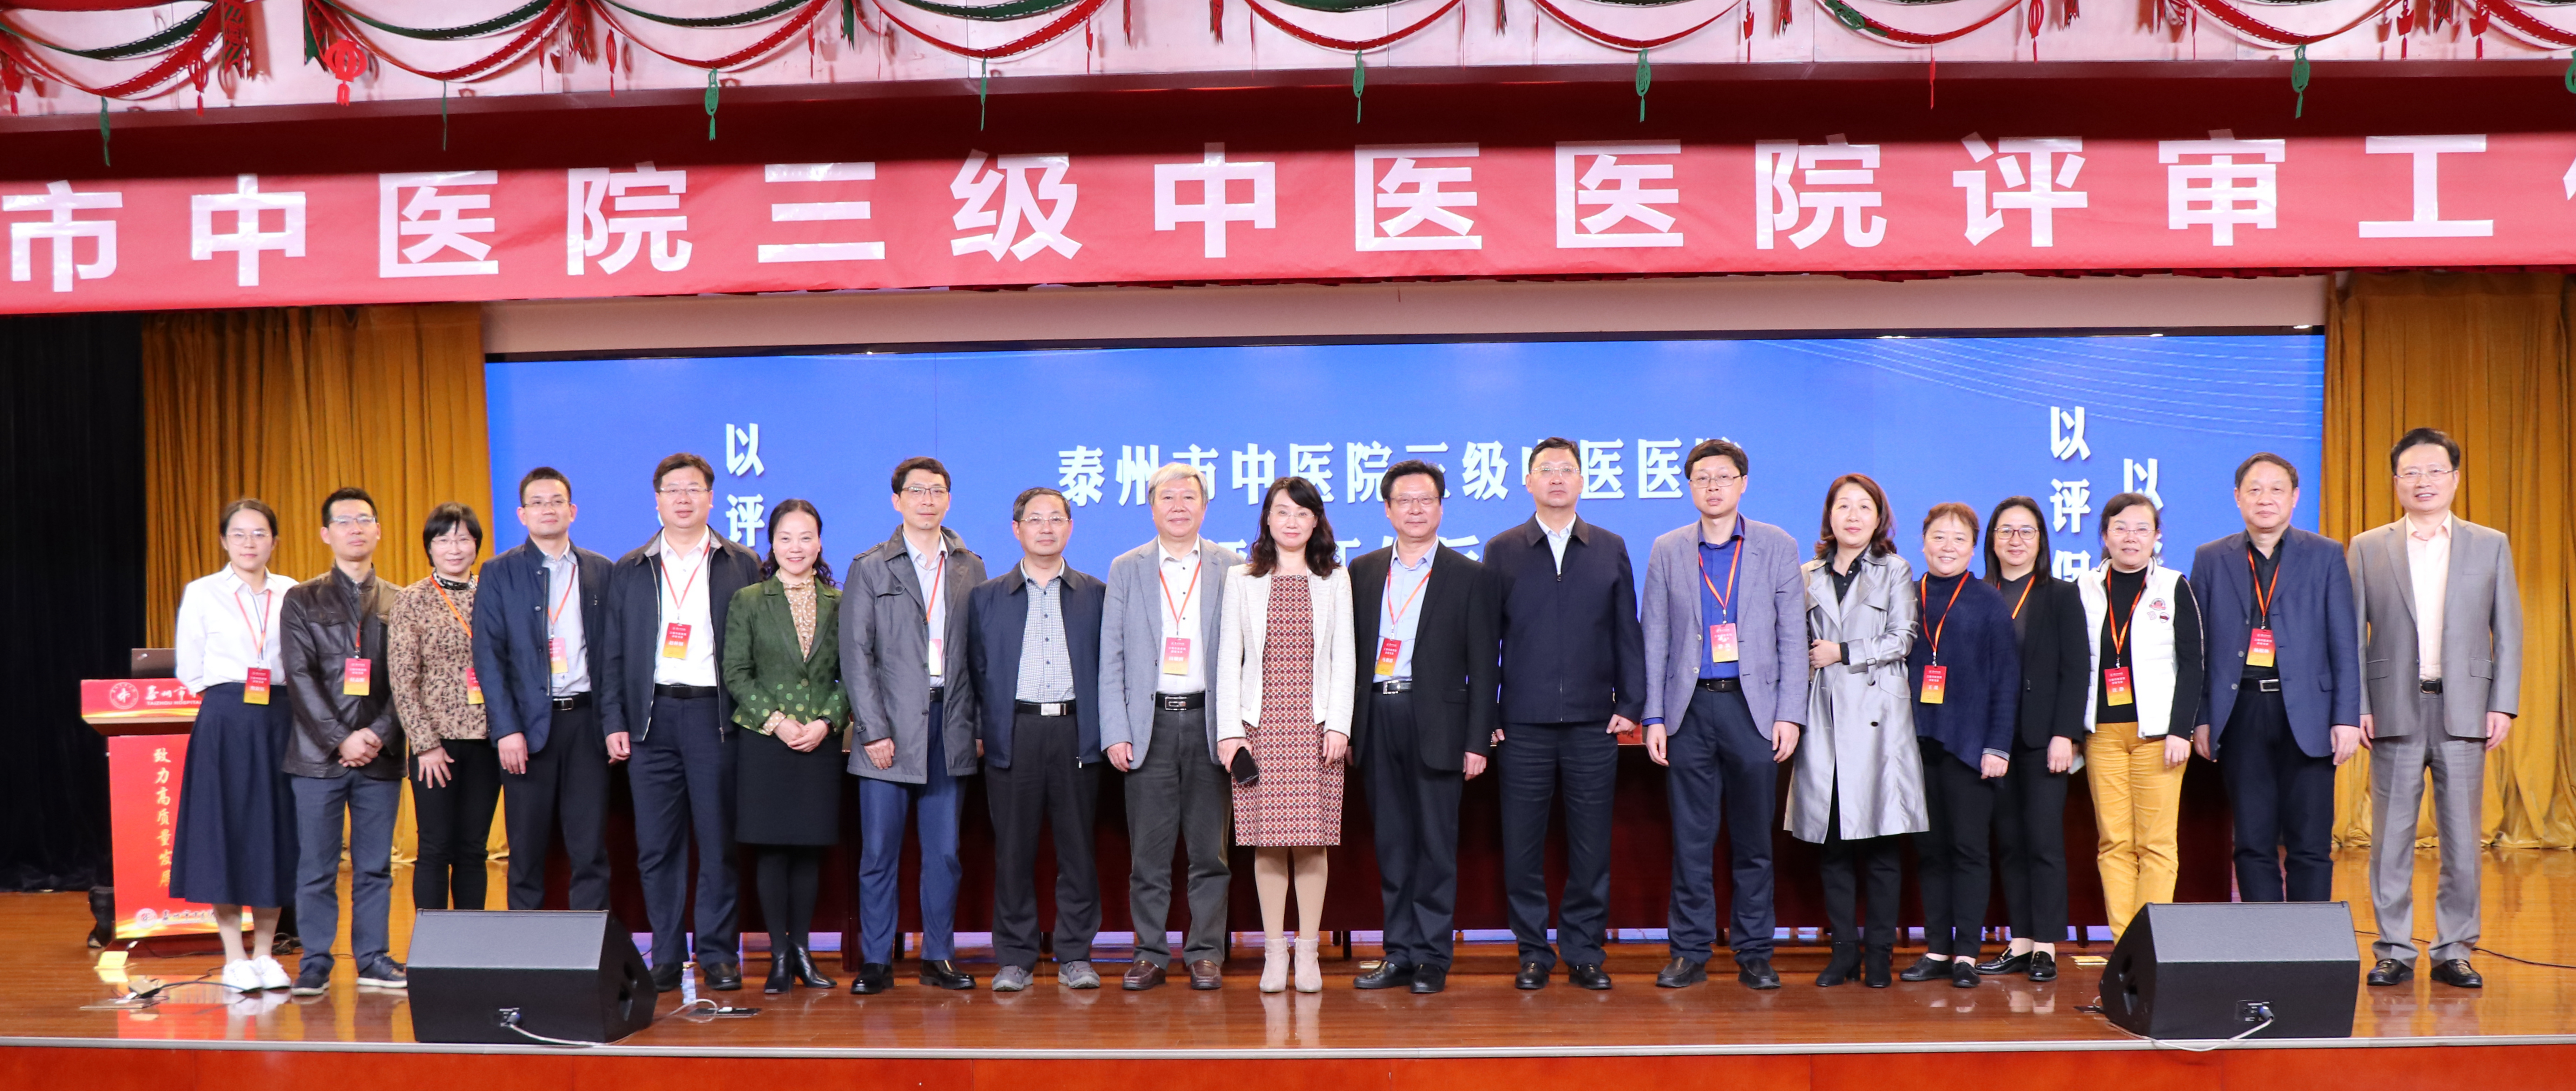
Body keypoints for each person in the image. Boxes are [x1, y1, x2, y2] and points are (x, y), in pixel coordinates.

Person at [2352, 427, 2521, 990]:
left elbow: (2509, 630)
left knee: (2462, 839)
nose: (2422, 481)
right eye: (2411, 472)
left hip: (2466, 708)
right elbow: (2352, 636)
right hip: (2392, 708)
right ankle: (2394, 949)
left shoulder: (2489, 543)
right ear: (2396, 480)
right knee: (2390, 841)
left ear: (2455, 477)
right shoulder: (2368, 546)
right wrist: (2359, 704)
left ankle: (2455, 948)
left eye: (2434, 471)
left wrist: (2503, 704)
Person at [1641, 439, 1806, 992]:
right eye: (1702, 477)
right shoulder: (1668, 548)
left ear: (1743, 483)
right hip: (1689, 709)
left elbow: (1792, 635)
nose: (1713, 486)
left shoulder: (1776, 545)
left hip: (1753, 708)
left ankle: (1755, 950)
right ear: (1690, 487)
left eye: (1724, 476)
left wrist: (1790, 713)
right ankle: (1689, 951)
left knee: (1754, 839)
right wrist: (1654, 715)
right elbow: (1655, 636)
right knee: (1692, 839)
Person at [1484, 437, 1644, 992]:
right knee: (1522, 846)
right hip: (1522, 723)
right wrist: (1488, 711)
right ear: (1528, 481)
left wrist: (1632, 703)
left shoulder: (1609, 546)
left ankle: (1583, 951)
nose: (1557, 477)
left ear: (1582, 481)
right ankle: (1533, 951)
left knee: (1591, 846)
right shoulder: (1503, 548)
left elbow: (1627, 630)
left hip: (1592, 721)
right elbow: (1485, 639)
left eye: (1567, 469)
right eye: (1546, 469)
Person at [604, 453, 765, 994]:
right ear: (657, 500)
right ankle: (668, 955)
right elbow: (612, 652)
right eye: (672, 489)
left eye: (693, 488)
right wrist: (614, 719)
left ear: (711, 498)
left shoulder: (740, 562)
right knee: (657, 847)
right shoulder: (632, 567)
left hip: (714, 716)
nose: (683, 498)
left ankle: (718, 953)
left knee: (718, 842)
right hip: (650, 720)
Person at [1346, 460, 1500, 996]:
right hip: (1376, 715)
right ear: (1388, 510)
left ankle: (1433, 955)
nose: (1415, 509)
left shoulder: (1470, 574)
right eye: (1404, 500)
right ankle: (1398, 952)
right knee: (1392, 844)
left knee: (1436, 844)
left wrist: (1478, 739)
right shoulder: (1362, 571)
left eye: (1426, 499)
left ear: (1441, 507)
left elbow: (1485, 665)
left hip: (1439, 722)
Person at [2189, 454, 2361, 907]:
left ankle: (2311, 940)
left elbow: (2345, 642)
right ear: (2237, 497)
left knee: (2311, 843)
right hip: (2240, 711)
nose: (2265, 498)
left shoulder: (2325, 554)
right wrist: (2202, 717)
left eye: (2276, 489)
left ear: (2295, 497)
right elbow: (2198, 648)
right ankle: (2265, 938)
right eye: (2254, 489)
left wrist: (2346, 717)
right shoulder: (2210, 558)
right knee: (2252, 840)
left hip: (2309, 712)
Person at [842, 456, 986, 994]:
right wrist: (873, 729)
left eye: (938, 490)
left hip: (949, 724)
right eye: (917, 490)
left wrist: (975, 725)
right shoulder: (871, 566)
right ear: (897, 500)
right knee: (879, 852)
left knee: (945, 852)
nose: (928, 499)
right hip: (888, 728)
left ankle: (938, 956)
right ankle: (877, 960)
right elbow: (856, 656)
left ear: (949, 499)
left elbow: (981, 658)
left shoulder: (971, 565)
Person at [1098, 464, 1242, 992]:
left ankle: (1205, 953)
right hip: (1149, 724)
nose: (1179, 506)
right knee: (1149, 855)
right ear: (1152, 506)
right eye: (1168, 497)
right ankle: (1150, 952)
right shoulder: (1127, 567)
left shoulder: (1232, 567)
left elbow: (1245, 653)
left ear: (1205, 507)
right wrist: (1116, 729)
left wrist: (1236, 728)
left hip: (1211, 722)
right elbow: (1111, 654)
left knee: (1211, 853)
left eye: (1189, 497)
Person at [1215, 476, 1355, 995]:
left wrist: (1339, 723)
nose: (1291, 521)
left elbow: (1345, 657)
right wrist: (1230, 732)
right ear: (1267, 520)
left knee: (1313, 842)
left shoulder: (1334, 579)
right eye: (1282, 511)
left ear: (1316, 521)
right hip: (1260, 724)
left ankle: (1309, 951)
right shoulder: (1242, 578)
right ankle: (1275, 952)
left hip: (1315, 725)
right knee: (1268, 843)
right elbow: (1229, 659)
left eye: (1302, 513)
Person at [969, 487, 1109, 992]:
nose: (1046, 528)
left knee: (1078, 850)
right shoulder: (987, 597)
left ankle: (1075, 954)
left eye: (1056, 519)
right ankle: (1015, 957)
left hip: (1076, 731)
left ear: (1070, 527)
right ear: (1017, 529)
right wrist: (982, 732)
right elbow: (974, 671)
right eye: (1035, 519)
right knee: (1013, 851)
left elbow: (1111, 669)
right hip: (1014, 731)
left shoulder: (1096, 594)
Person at [1791, 473, 1921, 990]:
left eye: (1863, 506)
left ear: (1879, 517)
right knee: (1834, 844)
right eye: (1843, 506)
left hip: (1878, 720)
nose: (1853, 515)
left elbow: (1903, 637)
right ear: (1829, 515)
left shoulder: (1895, 569)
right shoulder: (1807, 573)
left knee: (1883, 846)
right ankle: (1843, 950)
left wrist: (1843, 651)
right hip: (1824, 715)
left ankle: (1880, 954)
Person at [280, 486, 408, 996]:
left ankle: (373, 958)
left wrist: (376, 734)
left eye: (364, 519)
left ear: (378, 530)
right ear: (325, 533)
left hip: (380, 755)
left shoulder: (401, 600)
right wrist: (341, 739)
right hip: (317, 758)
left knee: (375, 867)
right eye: (344, 521)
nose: (356, 529)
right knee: (317, 867)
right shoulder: (301, 598)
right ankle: (315, 961)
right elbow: (299, 677)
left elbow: (408, 681)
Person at [171, 499, 300, 995]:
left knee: (273, 831)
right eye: (240, 534)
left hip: (280, 718)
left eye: (260, 533)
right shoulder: (203, 592)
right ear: (225, 541)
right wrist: (229, 702)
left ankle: (265, 954)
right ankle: (233, 957)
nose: (250, 543)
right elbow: (190, 666)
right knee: (223, 831)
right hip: (225, 719)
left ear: (275, 541)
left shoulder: (292, 592)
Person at [471, 467, 614, 914]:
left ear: (573, 510)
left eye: (556, 501)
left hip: (587, 725)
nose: (547, 509)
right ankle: (526, 948)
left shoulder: (601, 570)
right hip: (526, 729)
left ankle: (590, 946)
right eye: (537, 502)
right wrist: (506, 730)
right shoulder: (499, 572)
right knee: (527, 850)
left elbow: (613, 654)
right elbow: (488, 656)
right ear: (522, 514)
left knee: (590, 849)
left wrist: (614, 723)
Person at [720, 499, 846, 995]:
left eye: (806, 537)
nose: (797, 547)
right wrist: (777, 722)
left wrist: (826, 722)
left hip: (819, 741)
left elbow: (853, 674)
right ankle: (777, 955)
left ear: (820, 542)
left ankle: (804, 953)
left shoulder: (839, 601)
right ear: (771, 544)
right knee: (772, 850)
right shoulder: (750, 599)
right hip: (765, 741)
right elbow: (736, 672)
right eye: (786, 538)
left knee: (809, 850)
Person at [1897, 503, 2017, 990]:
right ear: (1923, 542)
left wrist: (1998, 746)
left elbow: (2006, 679)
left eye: (1959, 539)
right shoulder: (1907, 595)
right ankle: (1937, 949)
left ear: (1973, 548)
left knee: (1969, 850)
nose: (1947, 547)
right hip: (1914, 742)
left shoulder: (1988, 601)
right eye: (1939, 537)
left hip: (1970, 745)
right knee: (1930, 852)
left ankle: (1966, 952)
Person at [2079, 492, 2205, 941]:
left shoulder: (2173, 586)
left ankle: (2152, 945)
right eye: (2121, 527)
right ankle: (2123, 946)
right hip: (2103, 735)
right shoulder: (2083, 587)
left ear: (2156, 537)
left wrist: (2181, 729)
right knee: (2114, 843)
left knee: (2156, 844)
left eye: (2141, 528)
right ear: (2105, 535)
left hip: (2158, 735)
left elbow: (2193, 663)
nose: (2130, 537)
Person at [1974, 496, 2088, 983]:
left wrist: (2067, 734)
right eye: (2006, 531)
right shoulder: (1979, 594)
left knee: (2043, 842)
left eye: (2026, 531)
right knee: (2009, 843)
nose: (2015, 540)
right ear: (1992, 540)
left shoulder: (2060, 595)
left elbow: (2076, 670)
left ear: (2041, 540)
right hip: (1992, 740)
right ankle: (2019, 942)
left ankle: (2046, 945)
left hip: (2044, 740)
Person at [388, 503, 498, 913]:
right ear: (430, 547)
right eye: (444, 540)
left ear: (477, 545)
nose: (454, 548)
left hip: (488, 741)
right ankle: (431, 944)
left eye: (463, 539)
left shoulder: (493, 594)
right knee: (435, 847)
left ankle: (470, 943)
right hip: (436, 746)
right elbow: (403, 680)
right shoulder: (411, 600)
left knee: (474, 849)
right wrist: (426, 745)